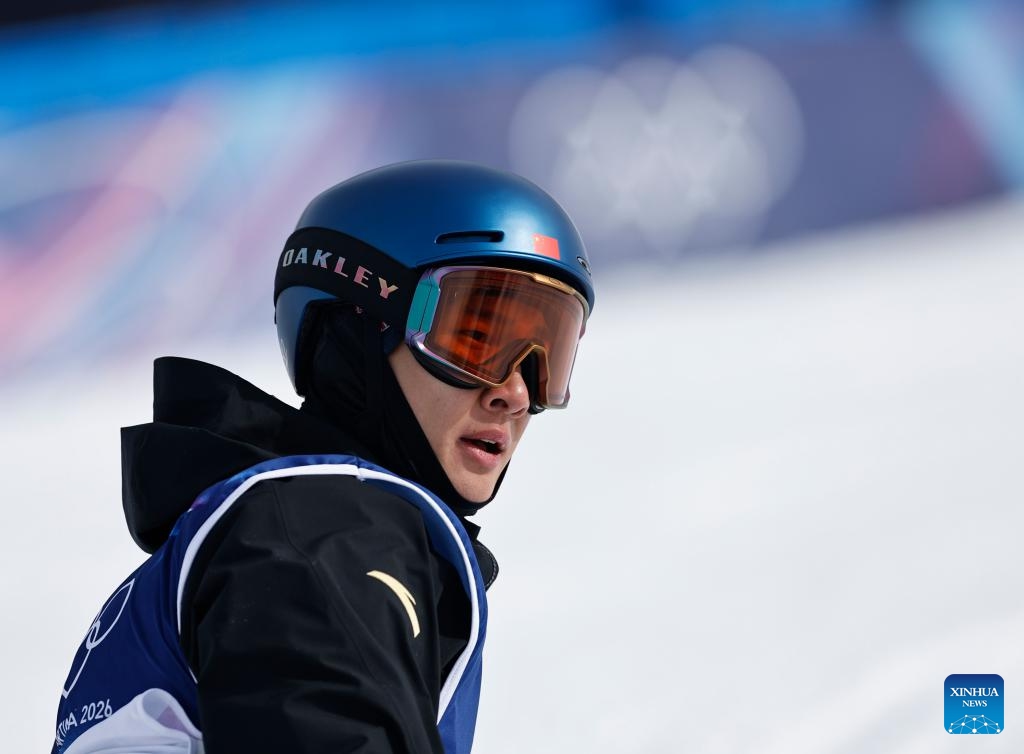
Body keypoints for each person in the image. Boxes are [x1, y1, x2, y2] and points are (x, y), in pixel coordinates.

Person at [50, 160, 596, 754]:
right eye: (476, 336)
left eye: (549, 355)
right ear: (358, 324)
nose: (515, 392)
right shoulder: (319, 533)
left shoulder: (272, 529)